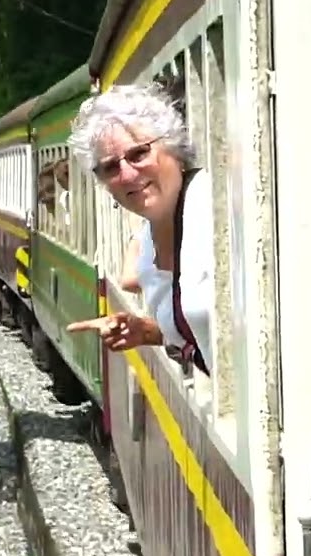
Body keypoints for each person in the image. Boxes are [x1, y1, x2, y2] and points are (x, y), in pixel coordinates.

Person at [63, 83, 214, 377]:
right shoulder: (148, 243)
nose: (128, 175)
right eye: (110, 168)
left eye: (139, 154)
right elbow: (208, 337)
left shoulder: (214, 208)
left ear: (173, 146)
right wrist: (150, 332)